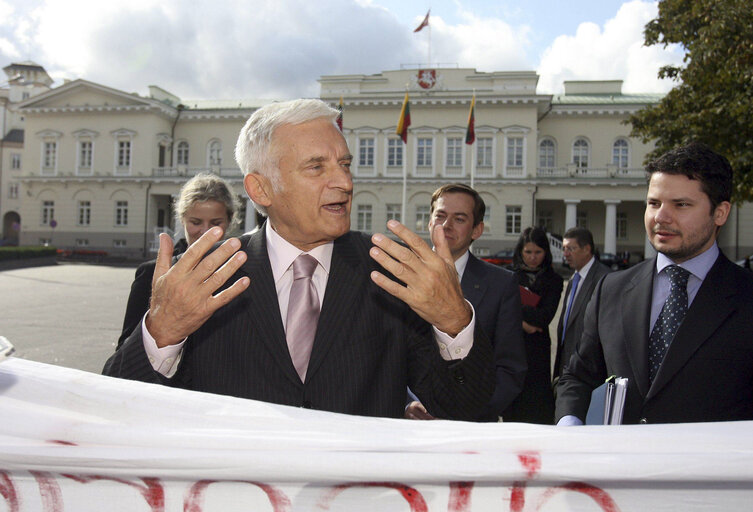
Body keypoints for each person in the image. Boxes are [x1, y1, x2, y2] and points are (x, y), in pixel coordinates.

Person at [104, 99, 495, 420]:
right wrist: (162, 334)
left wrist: (454, 322)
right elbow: (114, 408)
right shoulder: (209, 275)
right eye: (316, 167)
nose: (344, 182)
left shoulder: (391, 273)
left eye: (344, 164)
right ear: (261, 189)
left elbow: (467, 409)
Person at [556, 142, 753, 424]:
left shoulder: (745, 296)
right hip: (621, 464)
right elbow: (578, 376)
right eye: (654, 203)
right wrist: (569, 423)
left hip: (710, 466)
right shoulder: (611, 290)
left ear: (720, 213)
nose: (661, 217)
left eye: (681, 204)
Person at [404, 184, 526, 422]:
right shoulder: (400, 276)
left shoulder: (501, 285)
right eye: (440, 215)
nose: (446, 225)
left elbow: (510, 369)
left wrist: (467, 415)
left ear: (477, 230)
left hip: (471, 429)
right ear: (429, 222)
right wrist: (405, 403)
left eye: (459, 219)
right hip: (406, 427)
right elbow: (381, 358)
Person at [117, 173, 240, 348]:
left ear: (230, 221)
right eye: (196, 222)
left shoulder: (244, 272)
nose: (205, 231)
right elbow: (125, 353)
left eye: (216, 222)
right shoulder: (151, 274)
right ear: (182, 220)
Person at [500, 227, 563, 424]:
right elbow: (501, 312)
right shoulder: (508, 276)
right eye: (528, 252)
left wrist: (517, 308)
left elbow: (544, 317)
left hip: (538, 349)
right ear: (520, 252)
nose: (532, 257)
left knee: (537, 405)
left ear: (546, 252)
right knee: (512, 404)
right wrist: (522, 323)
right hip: (512, 345)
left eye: (538, 252)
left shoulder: (554, 279)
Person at [553, 227, 611, 381]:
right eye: (564, 249)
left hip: (590, 370)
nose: (565, 254)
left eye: (571, 249)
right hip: (567, 365)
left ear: (587, 249)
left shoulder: (604, 279)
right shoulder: (574, 279)